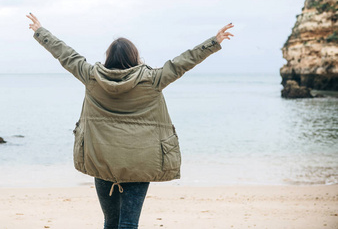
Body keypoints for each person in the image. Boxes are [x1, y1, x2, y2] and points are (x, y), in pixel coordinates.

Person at [26, 13, 234, 229]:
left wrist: (41, 32)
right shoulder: (153, 80)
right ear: (135, 57)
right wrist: (213, 42)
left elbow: (66, 55)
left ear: (108, 57)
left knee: (111, 221)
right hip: (140, 162)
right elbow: (182, 63)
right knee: (128, 223)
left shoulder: (91, 77)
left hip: (102, 160)